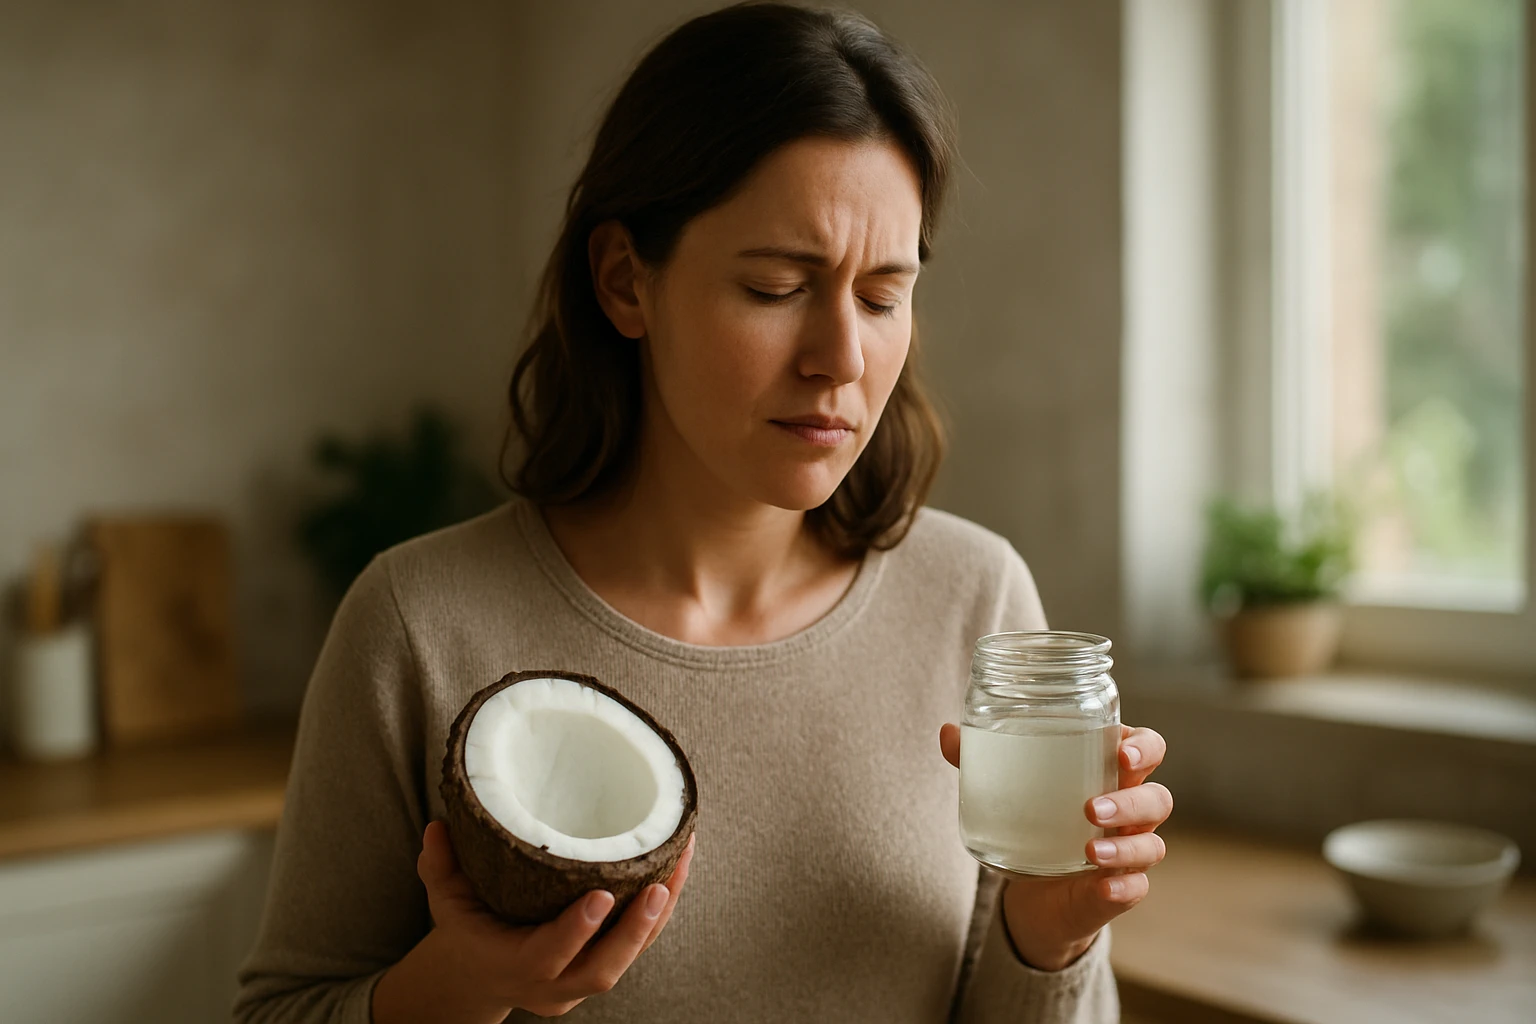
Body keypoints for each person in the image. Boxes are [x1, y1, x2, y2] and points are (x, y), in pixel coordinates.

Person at [233, 3, 1172, 1022]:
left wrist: (1051, 936)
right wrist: (459, 986)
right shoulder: (419, 623)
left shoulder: (977, 598)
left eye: (882, 295)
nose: (841, 360)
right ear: (625, 282)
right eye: (777, 287)